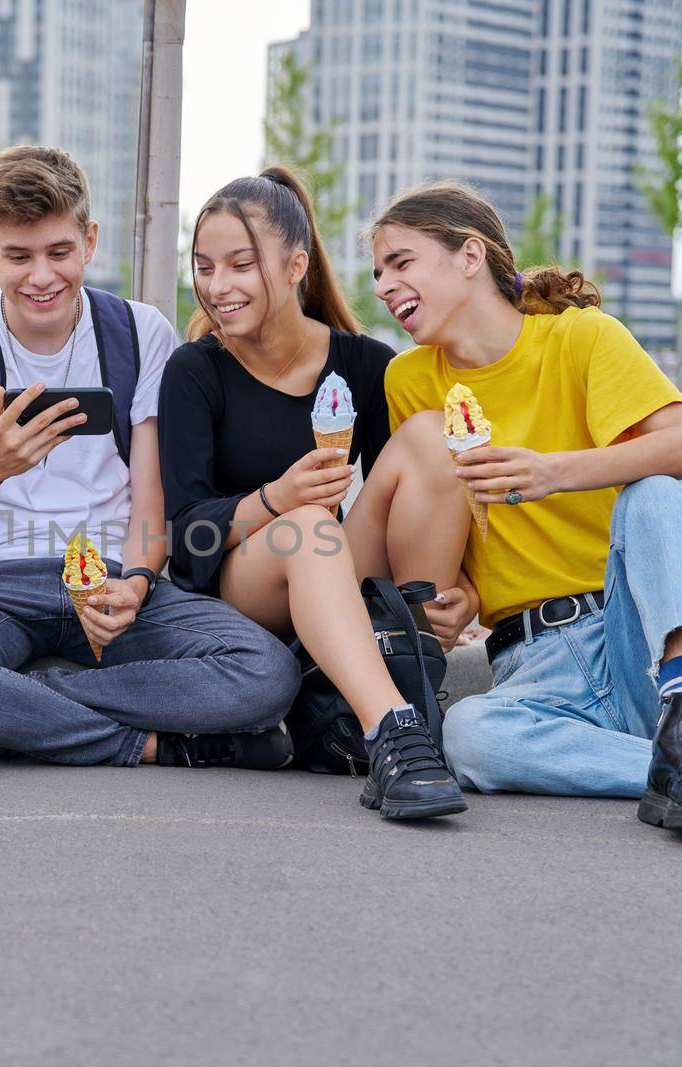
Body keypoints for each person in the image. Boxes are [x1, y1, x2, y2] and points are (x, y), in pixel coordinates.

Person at [371, 180, 682, 838]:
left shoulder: (581, 339)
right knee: (469, 737)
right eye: (378, 271)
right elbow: (452, 507)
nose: (383, 285)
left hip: (639, 634)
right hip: (532, 661)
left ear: (470, 256)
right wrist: (464, 587)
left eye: (400, 262)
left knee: (658, 491)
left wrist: (553, 471)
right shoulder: (409, 380)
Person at [0, 146, 300, 770]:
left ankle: (11, 713)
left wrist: (134, 582)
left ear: (89, 241)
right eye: (18, 257)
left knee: (266, 672)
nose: (41, 277)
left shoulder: (140, 331)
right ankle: (148, 744)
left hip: (112, 572)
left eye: (58, 253)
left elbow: (150, 500)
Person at [159, 168, 473, 819]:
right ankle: (396, 732)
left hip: (330, 562)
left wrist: (463, 589)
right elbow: (187, 537)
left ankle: (416, 653)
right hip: (242, 583)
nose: (218, 285)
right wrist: (277, 496)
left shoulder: (364, 364)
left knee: (427, 436)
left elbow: (407, 501)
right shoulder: (197, 370)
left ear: (296, 263)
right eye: (205, 266)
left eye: (240, 264)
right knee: (308, 523)